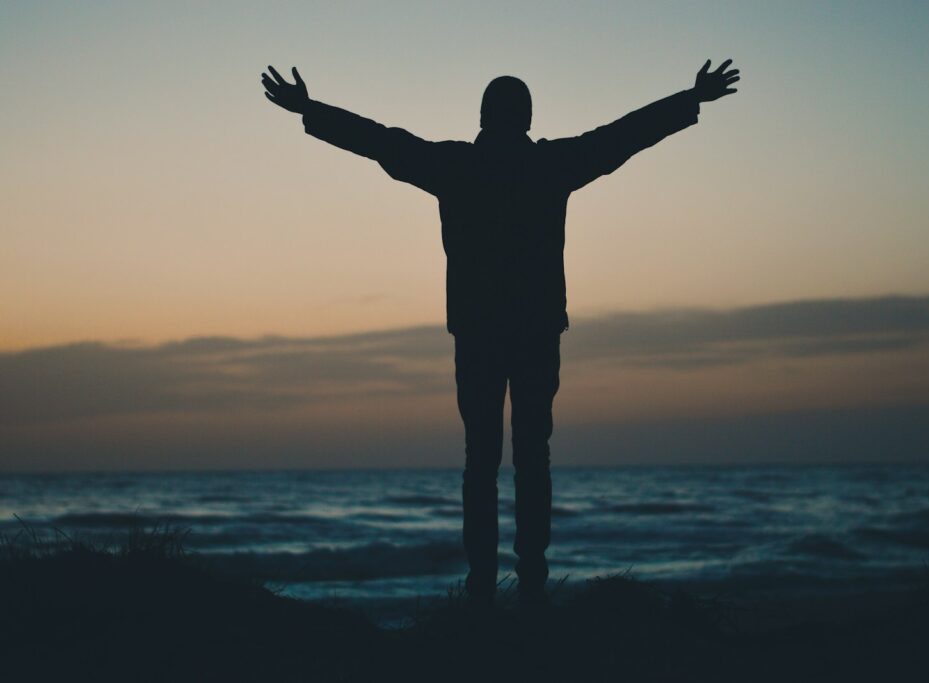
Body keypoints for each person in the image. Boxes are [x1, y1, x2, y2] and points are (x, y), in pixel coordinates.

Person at [261, 60, 739, 606]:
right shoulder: (550, 163)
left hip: (480, 333)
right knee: (532, 458)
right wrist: (689, 98)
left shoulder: (456, 165)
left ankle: (483, 586)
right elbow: (621, 137)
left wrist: (310, 111)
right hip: (534, 332)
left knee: (482, 461)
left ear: (483, 118)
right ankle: (530, 583)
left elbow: (380, 141)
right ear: (528, 118)